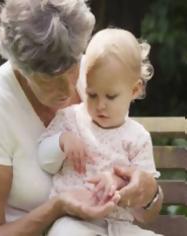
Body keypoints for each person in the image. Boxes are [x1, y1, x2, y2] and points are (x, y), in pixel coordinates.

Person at [0, 1, 162, 235]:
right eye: (50, 80)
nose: (69, 90)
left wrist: (148, 192)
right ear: (20, 69)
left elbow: (145, 210)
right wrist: (57, 207)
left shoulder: (98, 74)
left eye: (73, 68)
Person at [38, 28, 163, 236]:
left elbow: (142, 193)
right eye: (92, 94)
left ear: (135, 90)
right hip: (74, 221)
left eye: (110, 96)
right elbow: (44, 159)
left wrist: (120, 184)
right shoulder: (70, 120)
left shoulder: (138, 138)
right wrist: (61, 142)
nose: (100, 105)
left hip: (120, 226)